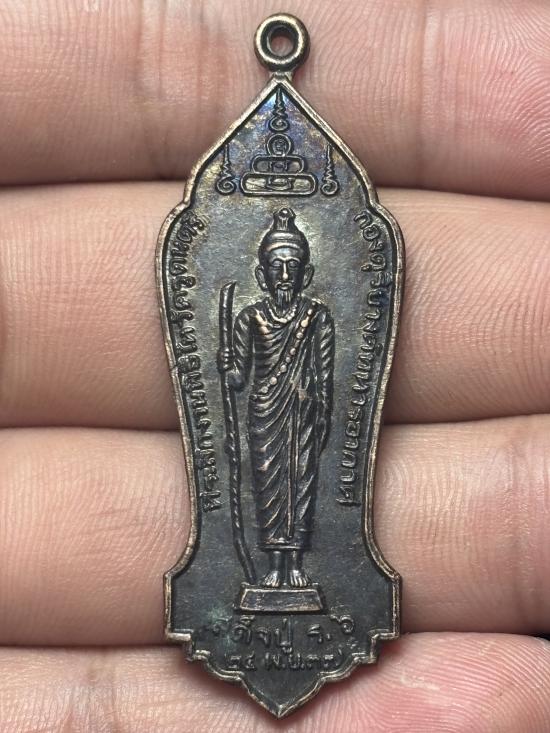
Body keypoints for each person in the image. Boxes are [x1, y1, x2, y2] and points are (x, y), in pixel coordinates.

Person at [219, 207, 334, 588]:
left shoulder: (316, 317)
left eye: (292, 267)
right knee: (268, 484)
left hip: (302, 412)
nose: (284, 275)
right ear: (261, 275)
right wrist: (226, 365)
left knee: (300, 483)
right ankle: (273, 564)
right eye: (276, 267)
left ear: (306, 275)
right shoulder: (249, 318)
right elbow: (238, 379)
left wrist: (321, 416)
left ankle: (296, 563)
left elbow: (325, 374)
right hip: (265, 412)